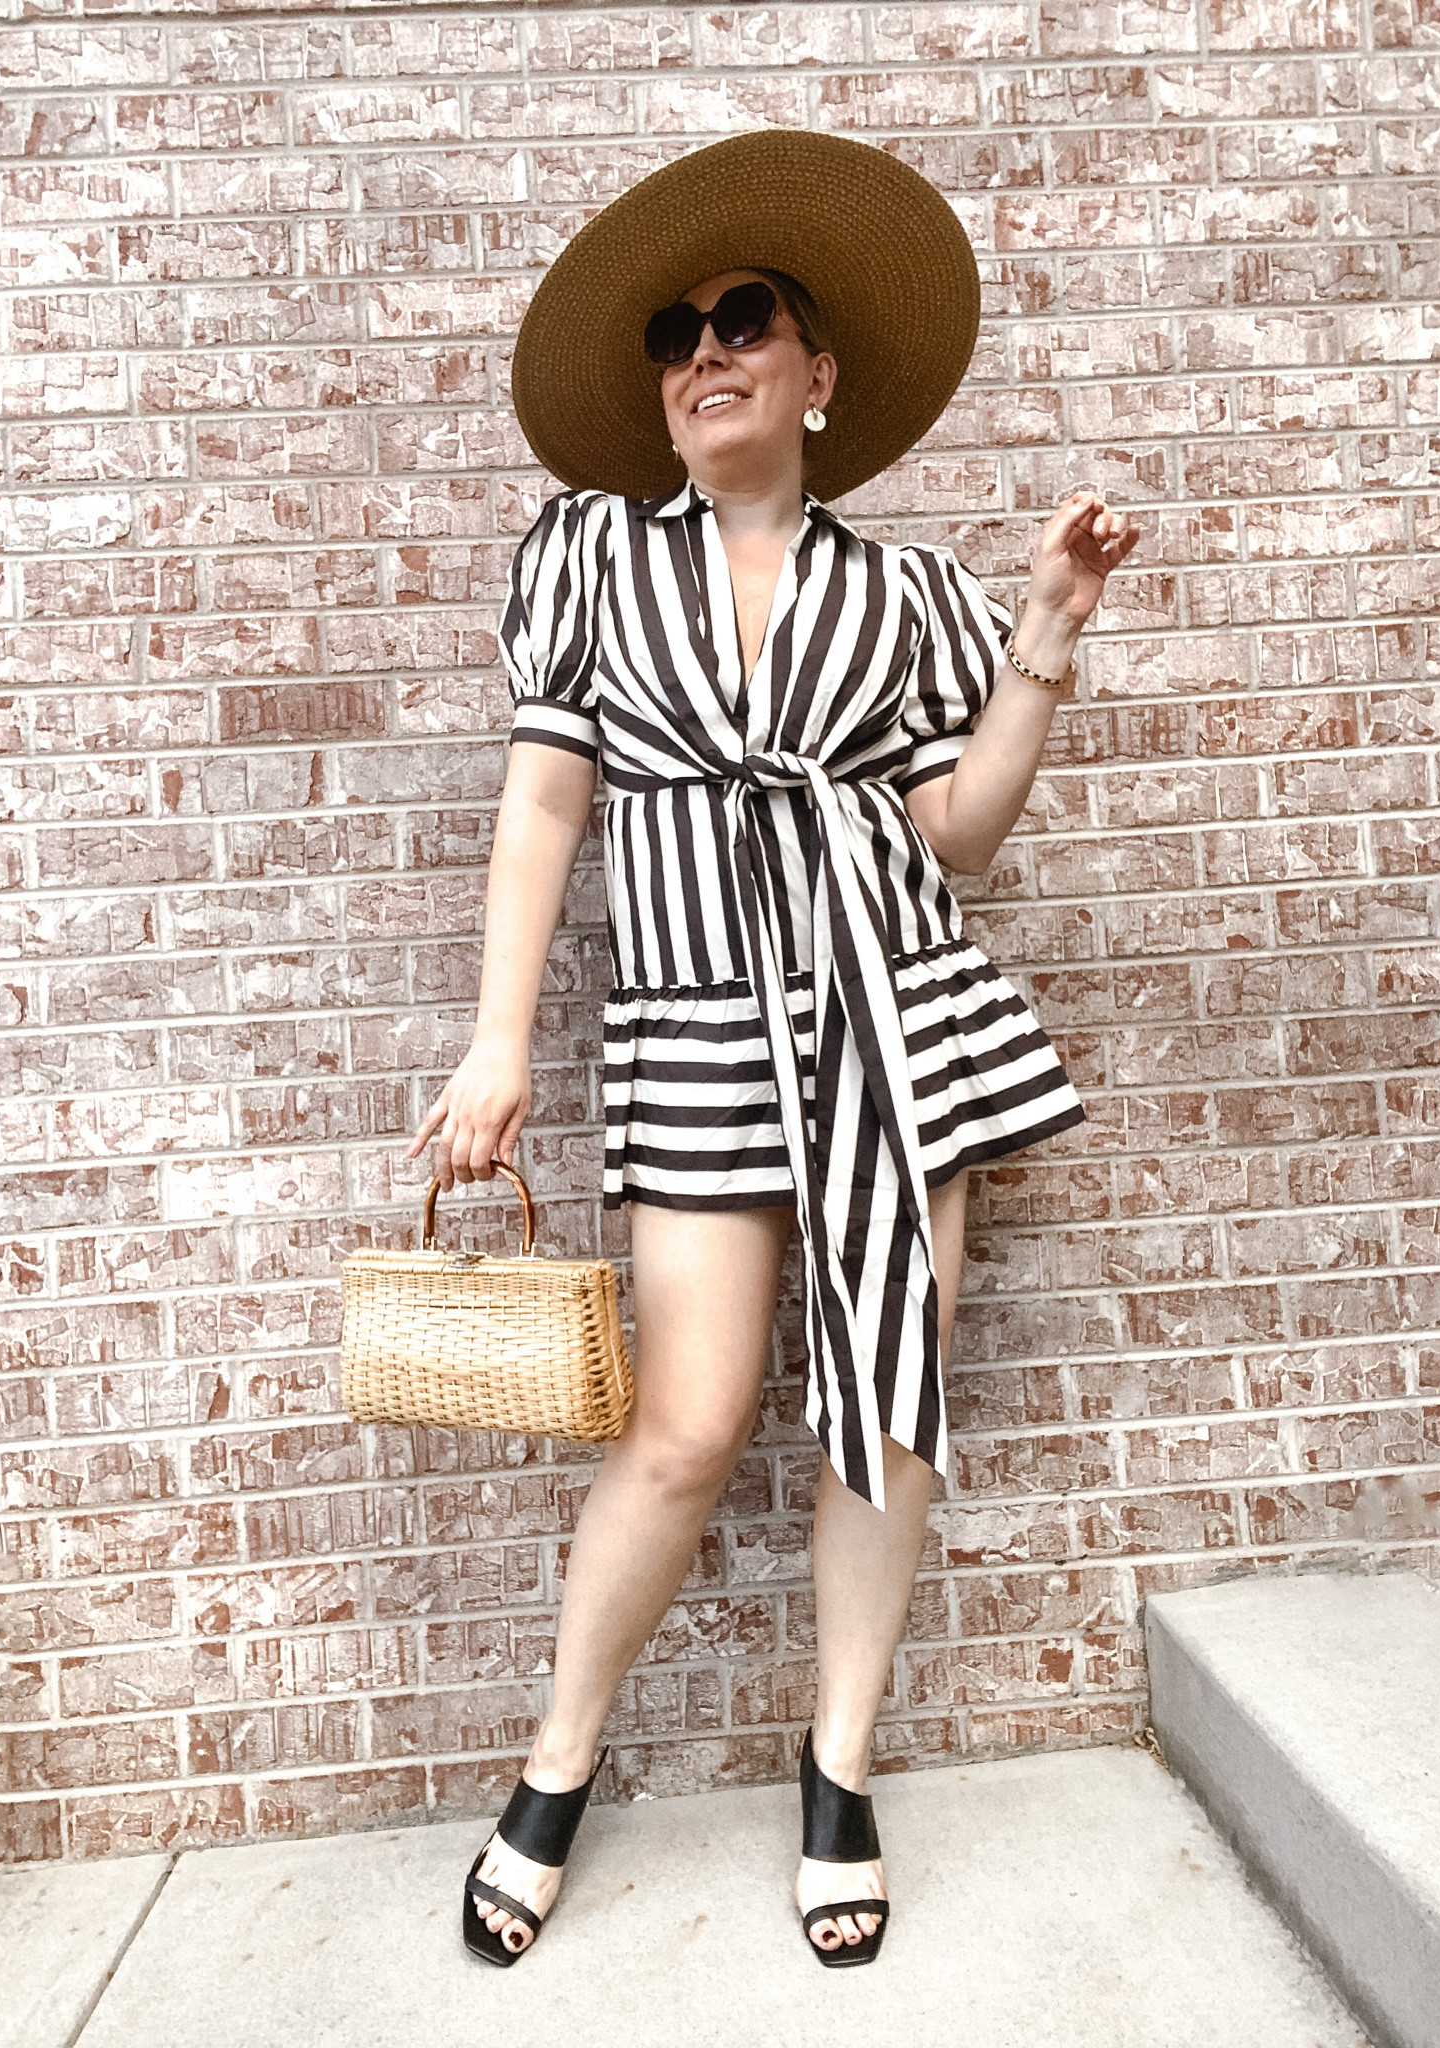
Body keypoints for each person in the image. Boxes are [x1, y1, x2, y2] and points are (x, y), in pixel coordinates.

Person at [405, 129, 1140, 1969]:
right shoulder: (589, 553)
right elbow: (544, 807)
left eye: (745, 320)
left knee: (886, 1408)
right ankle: (556, 1764)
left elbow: (959, 838)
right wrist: (498, 1038)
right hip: (692, 1030)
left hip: (895, 1018)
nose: (704, 352)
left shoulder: (905, 591)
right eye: (676, 335)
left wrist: (1044, 635)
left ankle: (839, 1772)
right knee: (688, 1425)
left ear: (819, 374)